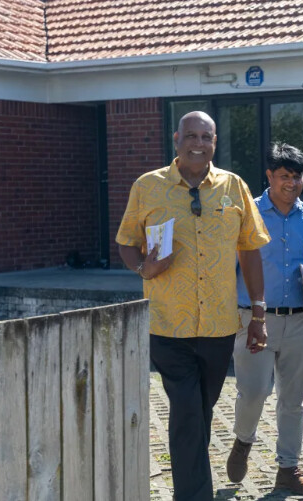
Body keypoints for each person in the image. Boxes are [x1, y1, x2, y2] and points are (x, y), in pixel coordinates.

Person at [116, 111, 271, 501]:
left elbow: (250, 249)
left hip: (219, 326)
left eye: (206, 136)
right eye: (190, 135)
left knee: (200, 412)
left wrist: (258, 312)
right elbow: (125, 240)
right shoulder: (147, 186)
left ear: (214, 142)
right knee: (186, 411)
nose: (197, 143)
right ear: (176, 138)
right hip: (167, 325)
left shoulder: (233, 187)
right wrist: (142, 267)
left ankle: (191, 484)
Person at [227, 142, 303, 494]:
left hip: (300, 321)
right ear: (269, 176)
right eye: (283, 176)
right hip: (253, 320)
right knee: (254, 392)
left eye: (296, 177)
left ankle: (288, 469)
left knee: (293, 399)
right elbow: (227, 269)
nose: (291, 183)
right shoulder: (247, 214)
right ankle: (243, 441)